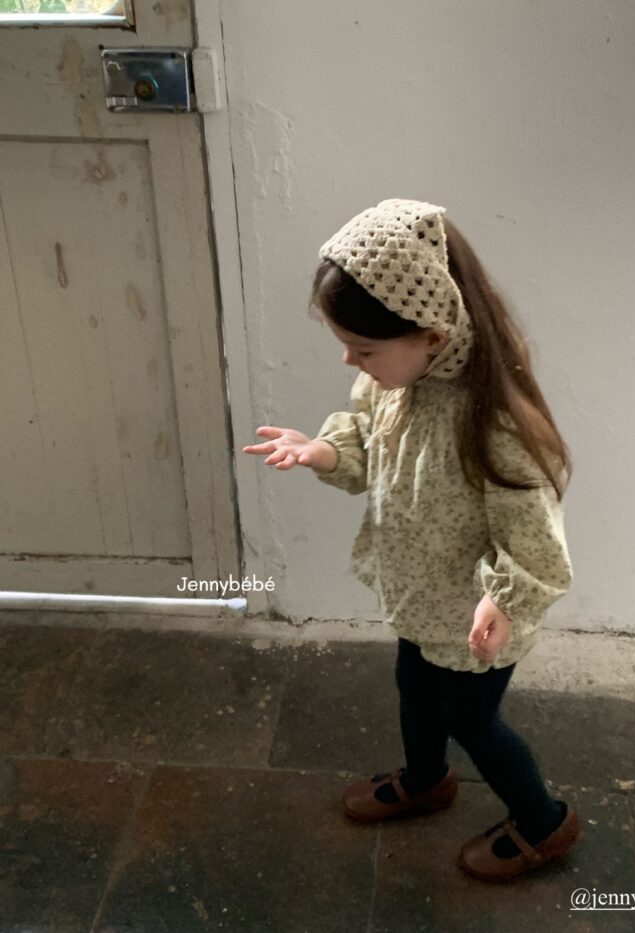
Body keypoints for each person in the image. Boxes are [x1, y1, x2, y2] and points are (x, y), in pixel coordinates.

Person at [242, 198, 581, 882]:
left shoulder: (492, 422)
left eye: (364, 348)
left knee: (471, 720)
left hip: (478, 615)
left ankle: (544, 821)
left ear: (430, 333)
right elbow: (369, 440)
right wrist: (323, 451)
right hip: (423, 596)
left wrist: (503, 600)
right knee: (414, 688)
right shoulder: (392, 382)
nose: (350, 359)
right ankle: (427, 779)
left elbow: (535, 540)